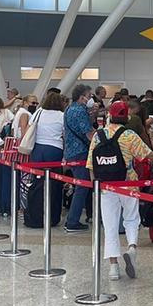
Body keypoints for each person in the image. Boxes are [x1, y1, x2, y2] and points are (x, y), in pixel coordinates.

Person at [88, 101, 153, 281]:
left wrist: (96, 186)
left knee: (109, 226)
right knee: (131, 219)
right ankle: (132, 247)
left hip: (106, 186)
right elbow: (149, 155)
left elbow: (91, 165)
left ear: (110, 115)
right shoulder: (129, 135)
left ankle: (113, 268)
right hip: (129, 184)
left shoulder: (98, 136)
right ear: (126, 117)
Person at [64, 84, 94, 233]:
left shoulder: (69, 109)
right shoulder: (80, 111)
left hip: (70, 151)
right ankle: (72, 221)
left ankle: (73, 219)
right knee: (82, 187)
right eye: (89, 96)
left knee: (80, 186)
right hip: (81, 152)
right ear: (82, 97)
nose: (90, 99)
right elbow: (88, 133)